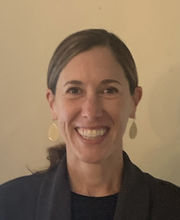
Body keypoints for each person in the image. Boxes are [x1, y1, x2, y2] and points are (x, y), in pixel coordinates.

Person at [0, 29, 179, 220]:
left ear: (134, 101)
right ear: (53, 104)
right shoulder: (8, 205)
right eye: (74, 90)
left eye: (109, 90)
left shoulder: (172, 207)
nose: (91, 112)